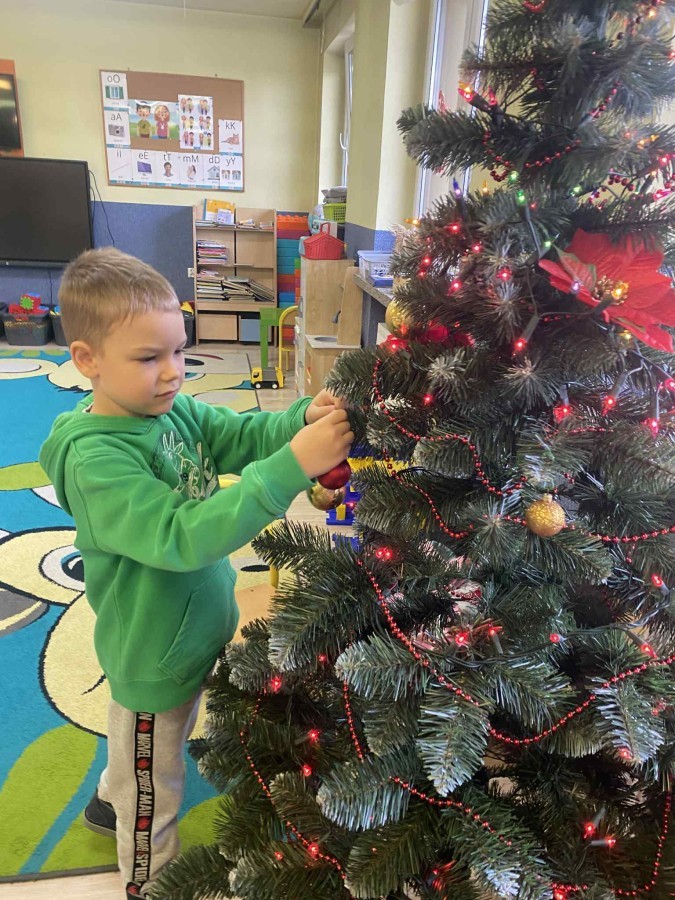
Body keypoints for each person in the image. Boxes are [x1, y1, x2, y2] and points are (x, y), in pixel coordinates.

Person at [39, 248, 353, 900]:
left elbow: (238, 436)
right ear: (87, 360)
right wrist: (290, 469)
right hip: (151, 656)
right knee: (153, 787)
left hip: (193, 629)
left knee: (151, 756)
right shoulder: (96, 462)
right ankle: (147, 883)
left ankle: (107, 800)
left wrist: (299, 420)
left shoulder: (172, 410)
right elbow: (182, 536)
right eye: (148, 358)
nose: (172, 372)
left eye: (179, 351)